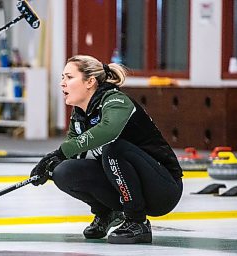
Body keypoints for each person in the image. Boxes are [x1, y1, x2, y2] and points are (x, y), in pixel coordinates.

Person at [31, 55, 183, 244]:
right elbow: (74, 152)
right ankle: (107, 212)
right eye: (62, 77)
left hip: (163, 189)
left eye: (69, 77)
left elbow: (108, 130)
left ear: (90, 82)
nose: (62, 83)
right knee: (64, 171)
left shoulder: (116, 100)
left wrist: (61, 152)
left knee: (114, 149)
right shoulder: (79, 115)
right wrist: (52, 164)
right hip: (127, 185)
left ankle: (138, 222)